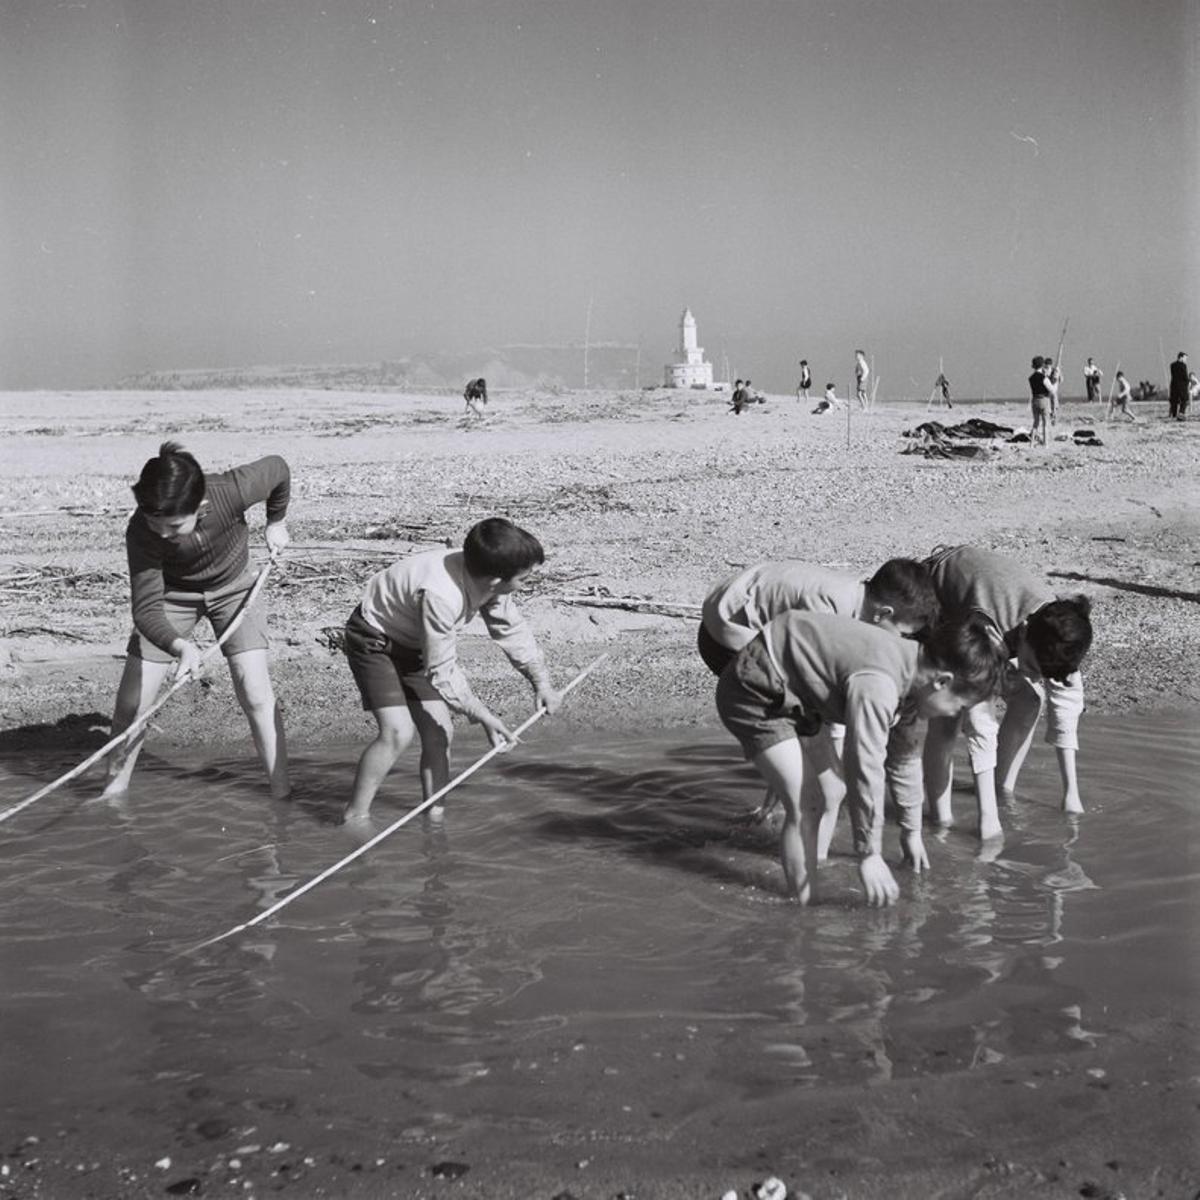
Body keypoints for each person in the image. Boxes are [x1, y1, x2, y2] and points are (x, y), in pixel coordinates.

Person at [715, 610, 1004, 906]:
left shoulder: (914, 679)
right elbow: (864, 764)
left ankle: (808, 871)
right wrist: (869, 854)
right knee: (808, 802)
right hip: (756, 688)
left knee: (833, 791)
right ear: (942, 681)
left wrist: (912, 831)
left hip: (800, 695)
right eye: (959, 705)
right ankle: (804, 910)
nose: (955, 714)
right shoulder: (880, 684)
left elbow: (905, 759)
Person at [102, 443, 292, 798]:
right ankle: (112, 796)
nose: (162, 534)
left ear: (199, 506)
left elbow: (279, 469)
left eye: (173, 526)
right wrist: (180, 646)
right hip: (173, 597)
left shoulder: (231, 490)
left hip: (235, 589)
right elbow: (146, 610)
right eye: (155, 524)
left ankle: (282, 796)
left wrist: (276, 522)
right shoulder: (142, 532)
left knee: (254, 691)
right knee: (131, 704)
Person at [341, 517, 561, 823]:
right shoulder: (441, 594)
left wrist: (542, 683)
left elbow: (512, 631)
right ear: (496, 581)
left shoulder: (489, 577)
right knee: (397, 732)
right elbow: (442, 670)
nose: (527, 584)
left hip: (418, 645)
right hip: (374, 639)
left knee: (441, 731)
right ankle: (356, 816)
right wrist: (484, 716)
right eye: (525, 579)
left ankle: (435, 819)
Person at [922, 544, 1093, 841]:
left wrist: (1071, 794)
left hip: (989, 612)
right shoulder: (988, 624)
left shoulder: (1058, 626)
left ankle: (1000, 790)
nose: (1028, 674)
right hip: (936, 602)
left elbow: (1066, 697)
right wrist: (988, 820)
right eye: (1027, 664)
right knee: (948, 715)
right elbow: (980, 720)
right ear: (1024, 631)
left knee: (1028, 698)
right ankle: (941, 821)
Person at [1028, 356, 1052, 445]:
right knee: (1045, 423)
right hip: (1044, 400)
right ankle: (1045, 444)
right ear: (1042, 365)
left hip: (1034, 400)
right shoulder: (1043, 378)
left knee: (1036, 423)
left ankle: (1031, 443)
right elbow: (1052, 390)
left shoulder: (1031, 378)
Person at [1168, 352, 1189, 420]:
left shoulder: (1172, 365)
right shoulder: (1183, 365)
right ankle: (1181, 413)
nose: (1186, 360)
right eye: (1185, 358)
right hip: (1182, 386)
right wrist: (1188, 382)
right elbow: (1185, 376)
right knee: (1184, 399)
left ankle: (1174, 414)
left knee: (1174, 400)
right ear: (1181, 357)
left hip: (1174, 385)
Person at [1043, 355, 1061, 424]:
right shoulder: (1044, 371)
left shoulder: (1054, 370)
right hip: (1047, 391)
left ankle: (1054, 417)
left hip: (1053, 390)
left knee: (1054, 405)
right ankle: (1051, 416)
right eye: (1046, 365)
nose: (1047, 366)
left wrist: (1057, 373)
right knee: (1049, 406)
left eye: (1048, 365)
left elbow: (1056, 380)